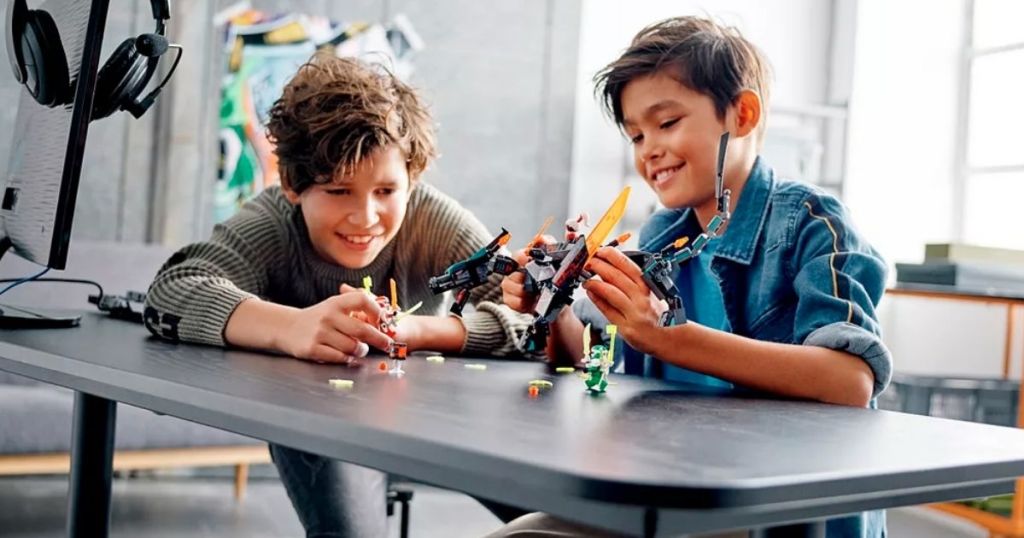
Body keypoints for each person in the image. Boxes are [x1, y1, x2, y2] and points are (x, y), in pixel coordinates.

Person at [497, 16, 891, 538]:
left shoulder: (814, 224)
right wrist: (553, 304)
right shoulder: (658, 237)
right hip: (672, 498)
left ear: (742, 114)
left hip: (777, 517)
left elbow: (850, 381)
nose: (648, 150)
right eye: (635, 135)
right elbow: (586, 361)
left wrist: (670, 338)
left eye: (666, 123)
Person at [144, 51, 532, 537]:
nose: (366, 217)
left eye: (387, 191)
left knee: (570, 521)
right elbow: (172, 290)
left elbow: (533, 314)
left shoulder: (433, 220)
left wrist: (419, 330)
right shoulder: (271, 225)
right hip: (316, 422)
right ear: (292, 184)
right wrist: (292, 327)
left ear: (412, 180)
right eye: (338, 191)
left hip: (438, 416)